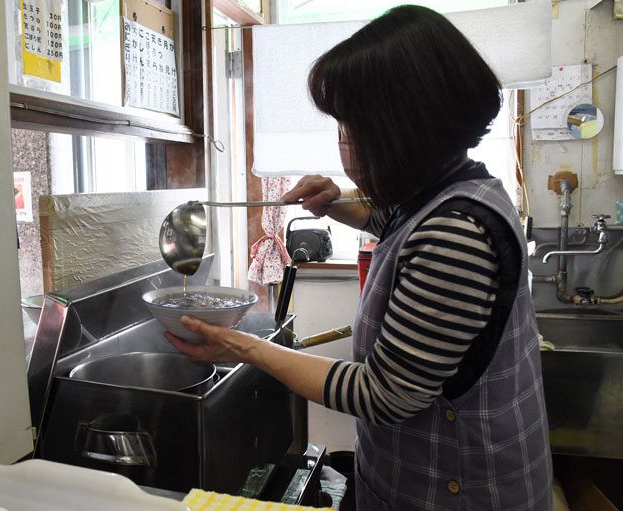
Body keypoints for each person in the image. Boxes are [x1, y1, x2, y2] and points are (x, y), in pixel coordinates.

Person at [165, 5, 552, 510]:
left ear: (400, 129)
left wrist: (244, 347)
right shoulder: (464, 186)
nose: (342, 142)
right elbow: (400, 220)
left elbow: (384, 395)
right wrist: (340, 203)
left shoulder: (455, 232)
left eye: (348, 127)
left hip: (457, 492)